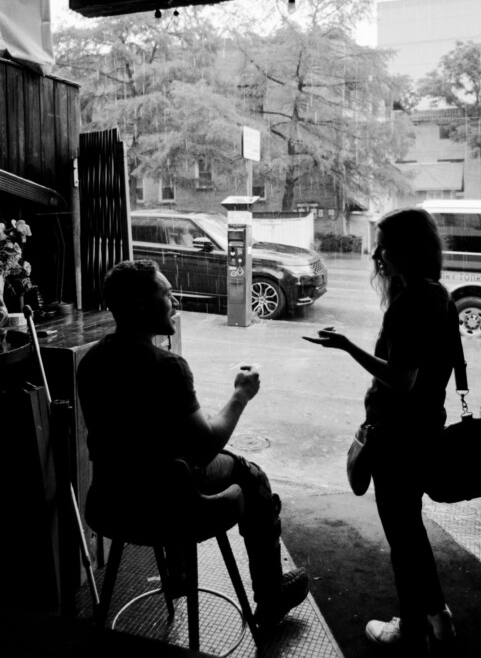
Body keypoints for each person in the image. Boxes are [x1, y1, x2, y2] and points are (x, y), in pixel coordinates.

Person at [77, 259, 308, 632]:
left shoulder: (91, 363)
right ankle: (270, 594)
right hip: (167, 507)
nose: (175, 300)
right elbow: (205, 447)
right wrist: (241, 395)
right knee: (248, 473)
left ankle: (179, 572)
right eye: (166, 293)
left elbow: (135, 436)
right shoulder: (167, 366)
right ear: (139, 303)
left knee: (168, 463)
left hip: (112, 502)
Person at [303, 207, 457, 654]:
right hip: (424, 427)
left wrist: (346, 345)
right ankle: (437, 620)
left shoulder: (411, 303)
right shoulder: (437, 295)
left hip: (398, 436)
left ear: (406, 250)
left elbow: (403, 378)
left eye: (385, 245)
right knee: (409, 531)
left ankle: (414, 629)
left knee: (403, 536)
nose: (376, 255)